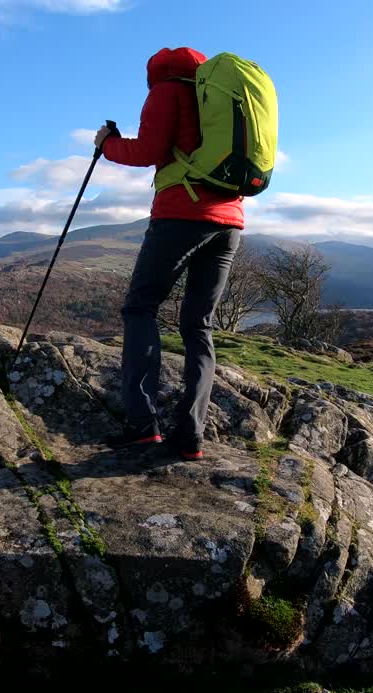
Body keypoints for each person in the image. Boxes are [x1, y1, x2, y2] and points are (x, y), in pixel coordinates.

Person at [94, 47, 243, 461]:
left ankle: (143, 425)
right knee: (198, 325)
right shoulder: (219, 99)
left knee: (140, 308)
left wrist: (108, 144)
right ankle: (190, 435)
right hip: (230, 222)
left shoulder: (167, 90)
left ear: (155, 72)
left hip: (180, 215)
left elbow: (148, 152)